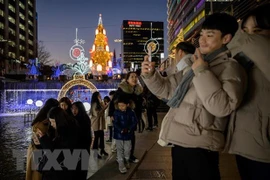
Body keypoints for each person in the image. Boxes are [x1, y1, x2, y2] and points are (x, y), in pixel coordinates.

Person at [141, 13, 247, 180]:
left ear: (226, 38)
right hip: (180, 143)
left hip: (201, 146)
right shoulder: (196, 64)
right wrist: (150, 75)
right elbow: (168, 91)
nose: (202, 40)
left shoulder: (230, 67)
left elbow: (222, 107)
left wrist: (201, 71)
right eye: (202, 34)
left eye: (210, 35)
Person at [225, 3, 270, 180]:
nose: (250, 36)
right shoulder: (241, 60)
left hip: (264, 147)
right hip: (242, 143)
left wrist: (241, 38)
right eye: (245, 30)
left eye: (257, 31)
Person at [109, 72, 144, 163]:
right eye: (132, 77)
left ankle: (129, 156)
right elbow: (113, 102)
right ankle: (120, 156)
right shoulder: (122, 90)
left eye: (136, 77)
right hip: (121, 117)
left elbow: (139, 104)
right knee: (121, 138)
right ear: (127, 79)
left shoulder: (138, 90)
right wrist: (111, 114)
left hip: (132, 117)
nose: (134, 78)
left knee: (131, 136)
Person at [36, 107, 78, 180]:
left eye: (53, 121)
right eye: (50, 121)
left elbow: (55, 153)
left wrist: (43, 139)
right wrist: (39, 144)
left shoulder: (67, 133)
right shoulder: (62, 129)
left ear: (59, 120)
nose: (52, 124)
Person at [26, 98, 59, 180]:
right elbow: (38, 141)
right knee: (37, 175)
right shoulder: (42, 124)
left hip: (35, 149)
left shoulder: (41, 119)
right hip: (38, 151)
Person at [113, 96, 137, 173]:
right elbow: (115, 123)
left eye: (122, 105)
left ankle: (127, 160)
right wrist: (121, 129)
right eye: (119, 105)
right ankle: (121, 167)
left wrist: (129, 129)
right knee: (119, 151)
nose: (121, 107)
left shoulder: (131, 112)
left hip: (128, 134)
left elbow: (134, 122)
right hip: (119, 134)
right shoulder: (116, 112)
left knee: (127, 149)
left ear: (127, 105)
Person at [71, 101, 92, 180]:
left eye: (76, 109)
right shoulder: (74, 119)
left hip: (82, 147)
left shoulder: (84, 119)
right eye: (72, 109)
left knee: (81, 169)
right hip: (78, 148)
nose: (74, 111)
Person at [90, 91, 108, 159]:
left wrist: (104, 105)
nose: (100, 96)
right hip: (96, 123)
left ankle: (102, 150)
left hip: (100, 122)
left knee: (102, 136)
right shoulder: (94, 104)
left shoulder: (100, 103)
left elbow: (103, 109)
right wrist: (104, 107)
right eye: (99, 95)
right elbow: (97, 114)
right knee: (96, 137)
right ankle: (95, 153)